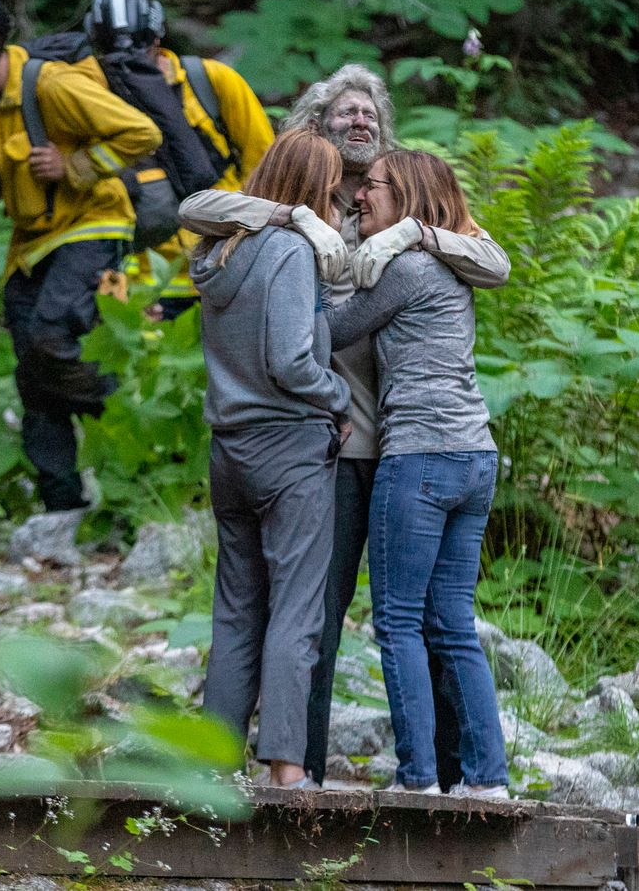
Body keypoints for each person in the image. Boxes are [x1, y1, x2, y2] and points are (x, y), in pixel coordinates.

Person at [177, 63, 510, 787]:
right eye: (344, 113)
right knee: (317, 615)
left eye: (369, 112)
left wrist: (413, 235)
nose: (359, 122)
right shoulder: (298, 211)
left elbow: (492, 258)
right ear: (315, 128)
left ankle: (453, 773)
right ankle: (308, 770)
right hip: (328, 437)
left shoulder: (399, 204)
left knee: (419, 616)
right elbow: (199, 206)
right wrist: (292, 215)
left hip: (402, 442)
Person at [0, 0, 161, 513]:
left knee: (52, 334)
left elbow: (142, 133)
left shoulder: (52, 85)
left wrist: (75, 163)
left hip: (93, 224)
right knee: (31, 373)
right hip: (29, 244)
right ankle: (62, 505)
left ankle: (119, 410)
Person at [325, 149, 508, 797]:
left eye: (371, 188)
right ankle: (488, 781)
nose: (359, 198)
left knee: (398, 621)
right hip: (475, 455)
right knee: (453, 622)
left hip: (420, 456)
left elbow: (334, 331)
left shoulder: (405, 267)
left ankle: (419, 779)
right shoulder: (450, 261)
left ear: (403, 194)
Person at [192, 129, 350, 788]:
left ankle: (212, 762)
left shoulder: (219, 251)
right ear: (317, 192)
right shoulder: (289, 251)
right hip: (288, 448)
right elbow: (290, 361)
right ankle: (287, 768)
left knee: (236, 609)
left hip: (228, 449)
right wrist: (338, 395)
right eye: (335, 189)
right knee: (297, 608)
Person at [83, 0, 273, 318]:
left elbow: (267, 166)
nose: (125, 62)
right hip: (141, 285)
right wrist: (114, 301)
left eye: (139, 48)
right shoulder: (90, 100)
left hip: (221, 268)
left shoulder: (210, 82)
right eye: (111, 52)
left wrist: (246, 249)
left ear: (157, 39)